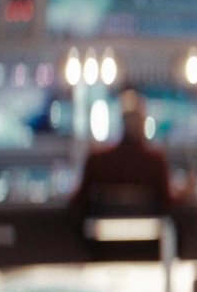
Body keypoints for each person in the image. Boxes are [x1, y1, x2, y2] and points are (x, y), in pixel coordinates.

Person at [70, 87, 176, 216]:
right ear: (143, 124)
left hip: (104, 227)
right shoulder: (155, 162)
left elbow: (79, 201)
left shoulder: (97, 160)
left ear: (122, 123)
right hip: (147, 227)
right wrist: (187, 192)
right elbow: (169, 202)